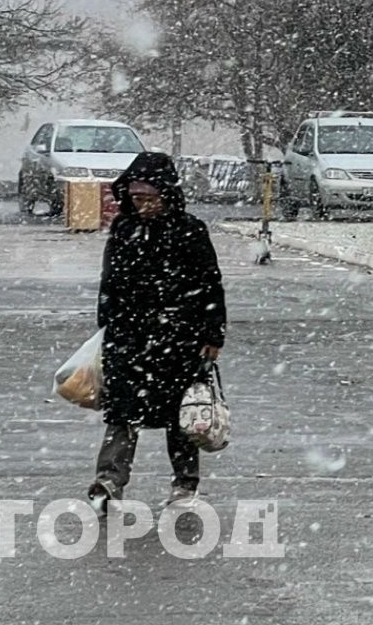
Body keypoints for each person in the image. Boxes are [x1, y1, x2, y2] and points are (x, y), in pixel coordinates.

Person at [88, 151, 226, 512]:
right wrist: (107, 325)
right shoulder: (124, 229)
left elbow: (210, 284)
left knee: (181, 417)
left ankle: (184, 484)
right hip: (128, 338)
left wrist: (213, 335)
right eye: (136, 198)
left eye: (150, 198)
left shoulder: (190, 230)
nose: (143, 205)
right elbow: (110, 282)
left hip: (179, 340)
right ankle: (108, 482)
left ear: (166, 194)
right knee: (122, 414)